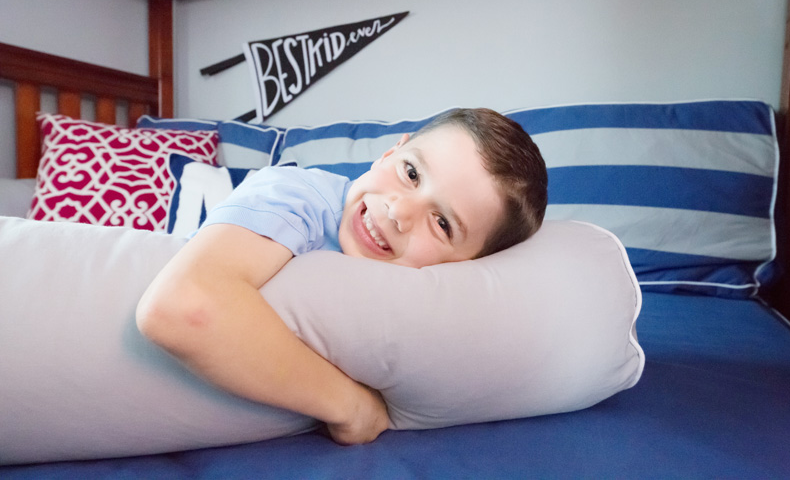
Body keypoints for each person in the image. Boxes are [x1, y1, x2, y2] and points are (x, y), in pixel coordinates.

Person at [136, 108, 548, 445]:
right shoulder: (297, 195)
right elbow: (180, 306)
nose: (398, 212)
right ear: (389, 153)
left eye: (442, 223)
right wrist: (351, 407)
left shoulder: (425, 310)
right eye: (411, 173)